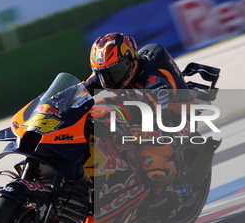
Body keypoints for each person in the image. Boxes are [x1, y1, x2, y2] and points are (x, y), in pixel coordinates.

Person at [83, 32, 194, 194]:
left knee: (150, 159)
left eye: (116, 70)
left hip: (175, 115)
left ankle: (170, 190)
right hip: (140, 104)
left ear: (131, 61)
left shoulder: (154, 83)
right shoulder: (106, 74)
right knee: (96, 111)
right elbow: (79, 91)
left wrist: (126, 132)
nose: (110, 79)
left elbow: (162, 127)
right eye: (103, 74)